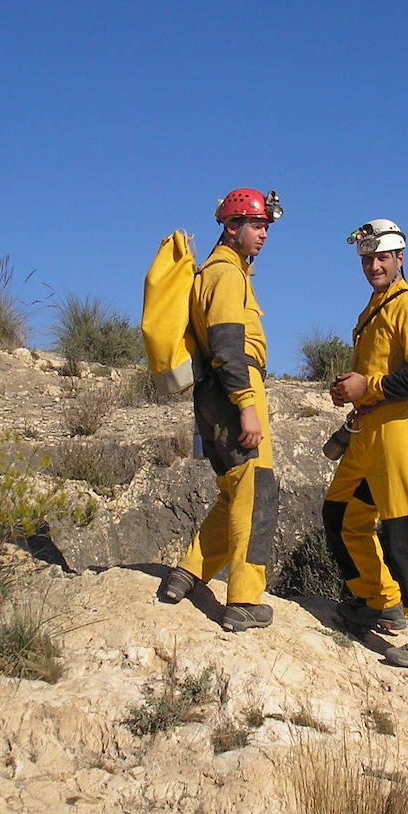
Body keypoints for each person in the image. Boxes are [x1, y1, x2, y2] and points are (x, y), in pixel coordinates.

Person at [322, 219, 408, 669]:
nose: (373, 265)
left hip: (398, 430)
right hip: (367, 432)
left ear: (399, 259)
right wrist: (350, 392)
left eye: (381, 257)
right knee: (339, 515)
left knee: (407, 529)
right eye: (366, 258)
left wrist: (368, 386)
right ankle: (378, 600)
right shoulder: (374, 309)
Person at [158, 188, 281, 632]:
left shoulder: (211, 273)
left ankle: (187, 573)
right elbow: (230, 347)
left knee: (233, 492)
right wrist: (247, 405)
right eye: (257, 225)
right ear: (232, 228)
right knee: (257, 491)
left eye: (266, 226)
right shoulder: (227, 275)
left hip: (209, 395)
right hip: (234, 390)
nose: (264, 234)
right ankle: (243, 601)